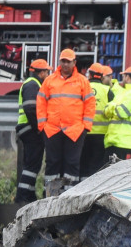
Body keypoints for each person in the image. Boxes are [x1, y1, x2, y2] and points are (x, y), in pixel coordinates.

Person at [37, 49, 95, 198]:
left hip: (75, 130)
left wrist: (85, 127)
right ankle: (51, 197)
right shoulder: (50, 81)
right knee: (52, 163)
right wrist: (42, 125)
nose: (65, 64)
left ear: (74, 63)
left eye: (68, 61)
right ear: (59, 62)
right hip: (52, 129)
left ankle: (69, 197)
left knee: (72, 164)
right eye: (63, 61)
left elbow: (90, 104)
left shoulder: (82, 81)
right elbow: (41, 102)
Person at [15, 58, 51, 204]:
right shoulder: (32, 85)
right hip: (30, 128)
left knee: (32, 164)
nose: (48, 74)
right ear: (41, 72)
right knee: (32, 165)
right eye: (47, 71)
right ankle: (23, 196)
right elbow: (30, 108)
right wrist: (38, 128)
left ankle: (28, 195)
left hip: (27, 128)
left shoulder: (32, 83)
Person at [104, 66, 131, 163]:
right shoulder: (125, 93)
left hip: (126, 144)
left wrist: (113, 107)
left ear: (127, 77)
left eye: (124, 76)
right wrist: (114, 107)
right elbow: (106, 110)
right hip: (115, 142)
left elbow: (120, 112)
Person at [80, 63, 114, 176]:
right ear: (101, 76)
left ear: (90, 74)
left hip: (83, 132)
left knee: (83, 164)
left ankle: (81, 190)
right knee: (97, 165)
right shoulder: (107, 90)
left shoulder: (82, 87)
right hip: (101, 134)